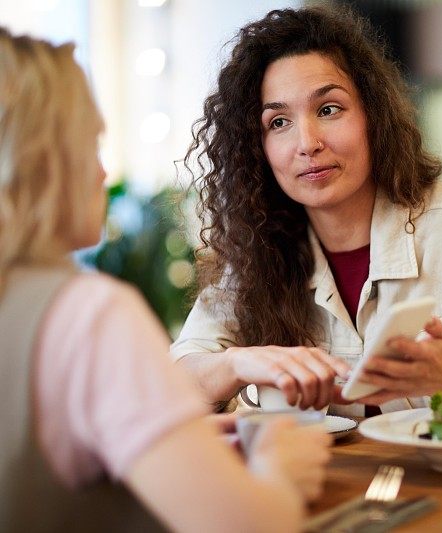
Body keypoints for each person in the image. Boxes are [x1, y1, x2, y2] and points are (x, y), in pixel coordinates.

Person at [172, 6, 442, 431]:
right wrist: (238, 362)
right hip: (320, 493)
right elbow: (173, 386)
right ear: (257, 148)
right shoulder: (255, 255)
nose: (308, 143)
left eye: (329, 109)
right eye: (278, 122)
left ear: (373, 115)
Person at [0, 29, 331, 533]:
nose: (101, 171)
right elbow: (245, 525)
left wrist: (168, 443)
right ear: (44, 160)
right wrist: (281, 469)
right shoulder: (86, 314)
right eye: (90, 143)